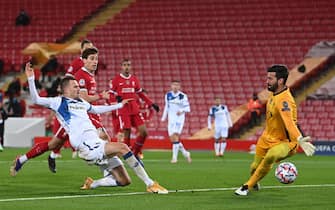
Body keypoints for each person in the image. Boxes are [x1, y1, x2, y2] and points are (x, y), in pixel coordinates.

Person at [11, 62, 168, 194]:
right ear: (65, 89)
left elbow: (96, 109)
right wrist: (31, 79)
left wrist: (119, 105)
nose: (78, 89)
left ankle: (93, 183)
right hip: (87, 147)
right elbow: (35, 99)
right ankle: (150, 184)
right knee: (123, 148)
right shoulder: (59, 102)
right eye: (74, 87)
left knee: (124, 181)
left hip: (96, 143)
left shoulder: (81, 103)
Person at [234, 65, 315, 196]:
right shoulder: (273, 94)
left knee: (271, 156)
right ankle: (255, 181)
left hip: (285, 142)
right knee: (254, 167)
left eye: (270, 78)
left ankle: (246, 187)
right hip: (266, 138)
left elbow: (289, 123)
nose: (267, 81)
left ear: (280, 80)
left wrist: (300, 139)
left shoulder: (285, 100)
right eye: (267, 78)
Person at [110, 59, 159, 161]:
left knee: (144, 132)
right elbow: (111, 94)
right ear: (121, 67)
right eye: (124, 65)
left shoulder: (134, 79)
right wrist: (117, 99)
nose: (127, 67)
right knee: (127, 131)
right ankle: (128, 156)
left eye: (128, 65)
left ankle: (135, 152)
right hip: (123, 110)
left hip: (134, 109)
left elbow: (140, 93)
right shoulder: (116, 80)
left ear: (130, 66)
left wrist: (151, 103)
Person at [161, 80, 191, 163]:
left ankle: (174, 158)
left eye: (177, 85)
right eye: (174, 85)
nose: (175, 86)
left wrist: (181, 110)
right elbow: (166, 107)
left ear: (179, 86)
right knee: (173, 139)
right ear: (171, 86)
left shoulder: (183, 96)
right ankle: (186, 153)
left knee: (175, 136)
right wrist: (163, 118)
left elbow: (188, 108)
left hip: (179, 119)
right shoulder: (168, 95)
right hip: (171, 119)